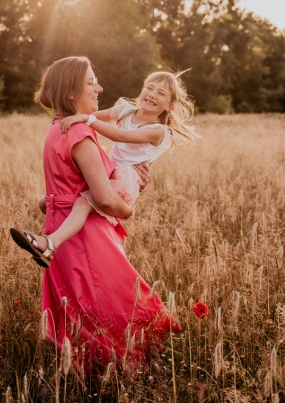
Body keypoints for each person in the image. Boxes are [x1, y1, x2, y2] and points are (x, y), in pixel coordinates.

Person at [11, 56, 182, 375]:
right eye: (91, 82)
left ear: (169, 106)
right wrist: (127, 208)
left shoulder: (59, 128)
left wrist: (49, 202)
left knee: (83, 310)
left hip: (64, 227)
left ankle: (102, 372)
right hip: (84, 238)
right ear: (72, 89)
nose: (99, 87)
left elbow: (68, 181)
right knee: (108, 305)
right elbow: (102, 196)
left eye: (161, 93)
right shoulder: (81, 134)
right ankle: (113, 375)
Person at [10, 69, 196, 268]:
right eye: (150, 88)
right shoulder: (125, 110)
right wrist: (69, 116)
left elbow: (119, 135)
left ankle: (50, 243)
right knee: (46, 202)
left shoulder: (158, 131)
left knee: (83, 203)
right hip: (110, 169)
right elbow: (89, 116)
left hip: (126, 178)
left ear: (170, 105)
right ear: (142, 90)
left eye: (161, 93)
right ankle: (60, 236)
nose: (152, 94)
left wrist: (87, 119)